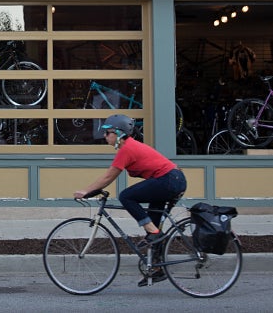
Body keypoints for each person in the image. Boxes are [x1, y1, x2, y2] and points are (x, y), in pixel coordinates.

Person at [73, 114, 187, 286]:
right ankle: (157, 269)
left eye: (107, 133)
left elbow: (108, 177)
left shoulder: (127, 149)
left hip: (169, 180)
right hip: (172, 180)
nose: (104, 136)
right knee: (153, 229)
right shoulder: (130, 147)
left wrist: (86, 190)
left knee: (126, 196)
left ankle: (155, 234)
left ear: (118, 133)